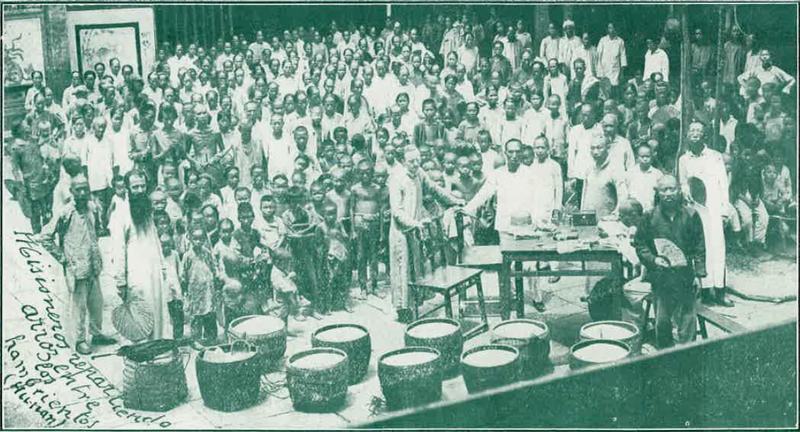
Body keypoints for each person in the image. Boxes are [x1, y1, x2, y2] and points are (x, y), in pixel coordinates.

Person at [463, 139, 547, 311]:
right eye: (511, 152)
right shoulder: (497, 174)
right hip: (505, 227)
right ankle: (512, 297)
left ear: (522, 152)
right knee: (506, 265)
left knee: (530, 265)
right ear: (505, 153)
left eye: (517, 152)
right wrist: (466, 209)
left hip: (527, 227)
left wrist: (538, 219)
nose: (514, 156)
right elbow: (482, 195)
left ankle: (536, 296)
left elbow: (539, 199)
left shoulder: (531, 174)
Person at [39, 175, 116, 354]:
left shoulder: (92, 207)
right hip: (76, 269)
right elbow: (45, 237)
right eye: (78, 190)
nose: (82, 193)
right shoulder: (65, 213)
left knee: (97, 303)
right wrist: (63, 258)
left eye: (85, 189)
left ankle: (96, 334)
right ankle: (80, 340)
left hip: (93, 266)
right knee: (79, 306)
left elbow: (96, 230)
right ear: (72, 192)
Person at [389, 146, 463, 322]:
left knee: (416, 270)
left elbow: (435, 189)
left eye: (417, 160)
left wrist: (455, 201)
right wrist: (415, 223)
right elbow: (397, 211)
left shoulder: (419, 173)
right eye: (411, 162)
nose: (415, 164)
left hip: (416, 230)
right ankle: (403, 312)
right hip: (402, 233)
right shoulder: (396, 179)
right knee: (402, 271)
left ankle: (414, 307)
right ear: (403, 161)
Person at [634, 175, 706, 348]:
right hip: (661, 277)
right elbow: (640, 243)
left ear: (679, 190)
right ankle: (666, 360)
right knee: (662, 323)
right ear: (658, 193)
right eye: (664, 190)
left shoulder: (691, 214)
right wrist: (653, 259)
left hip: (685, 276)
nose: (668, 194)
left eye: (672, 189)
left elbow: (699, 245)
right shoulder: (649, 216)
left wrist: (699, 273)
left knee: (688, 321)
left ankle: (687, 357)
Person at [678, 121, 733, 307]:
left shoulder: (715, 157)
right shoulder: (683, 160)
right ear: (687, 135)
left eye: (698, 131)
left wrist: (725, 211)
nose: (695, 133)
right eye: (691, 130)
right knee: (701, 249)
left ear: (704, 135)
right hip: (696, 210)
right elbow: (683, 182)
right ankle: (705, 290)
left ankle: (720, 291)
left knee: (718, 248)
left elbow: (723, 185)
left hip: (714, 209)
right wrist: (685, 192)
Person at [110, 170, 169, 340]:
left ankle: (157, 353)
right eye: (135, 187)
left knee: (157, 315)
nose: (140, 190)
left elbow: (155, 239)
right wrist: (120, 281)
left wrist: (163, 267)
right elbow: (118, 249)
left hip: (154, 273)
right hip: (136, 278)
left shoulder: (147, 209)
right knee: (139, 319)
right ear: (127, 188)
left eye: (143, 186)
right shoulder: (119, 214)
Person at [349, 159, 383, 299]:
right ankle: (363, 287)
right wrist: (352, 230)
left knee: (374, 257)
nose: (365, 176)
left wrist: (381, 232)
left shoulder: (377, 188)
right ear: (358, 174)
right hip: (360, 223)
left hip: (374, 222)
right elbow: (351, 209)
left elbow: (380, 209)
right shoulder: (355, 189)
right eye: (362, 173)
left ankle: (374, 285)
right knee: (361, 256)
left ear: (372, 173)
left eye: (368, 173)